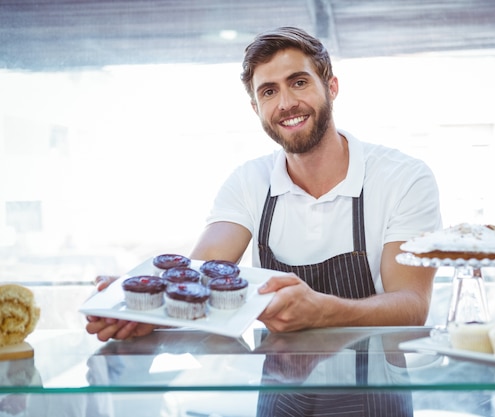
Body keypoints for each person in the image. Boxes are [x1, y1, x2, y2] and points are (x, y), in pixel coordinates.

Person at [86, 26, 441, 341]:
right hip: (280, 386)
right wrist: (143, 312)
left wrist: (323, 311)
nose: (286, 103)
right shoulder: (248, 182)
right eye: (269, 92)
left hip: (376, 389)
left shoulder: (404, 178)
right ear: (256, 108)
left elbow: (411, 305)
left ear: (331, 87)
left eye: (299, 83)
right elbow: (199, 279)